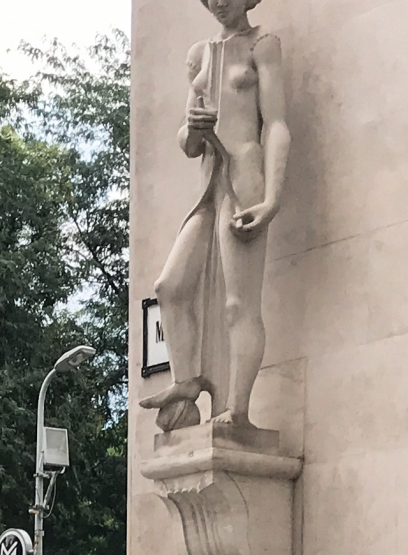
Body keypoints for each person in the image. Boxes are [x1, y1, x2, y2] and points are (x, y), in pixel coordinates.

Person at [139, 0, 291, 435]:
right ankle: (186, 382)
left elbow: (277, 123)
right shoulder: (200, 54)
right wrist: (194, 128)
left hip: (245, 181)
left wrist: (273, 199)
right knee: (170, 286)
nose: (219, 2)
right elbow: (187, 142)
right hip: (210, 184)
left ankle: (237, 409)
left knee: (238, 304)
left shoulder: (263, 45)